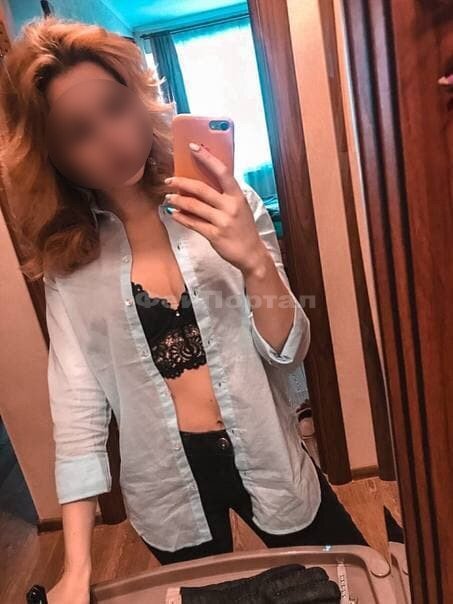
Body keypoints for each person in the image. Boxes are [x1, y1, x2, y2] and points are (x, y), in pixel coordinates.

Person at [0, 16, 368, 604]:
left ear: (139, 97)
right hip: (165, 483)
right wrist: (76, 565)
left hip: (268, 450)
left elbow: (290, 350)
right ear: (53, 156)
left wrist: (253, 261)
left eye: (116, 106)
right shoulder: (70, 264)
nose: (114, 139)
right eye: (79, 132)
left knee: (346, 579)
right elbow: (77, 414)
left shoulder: (228, 203)